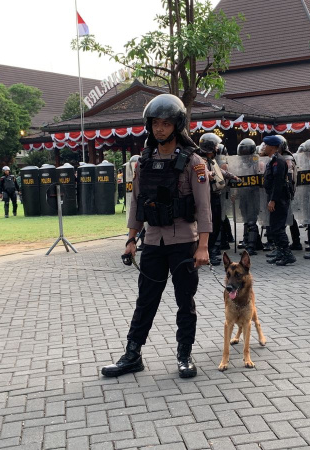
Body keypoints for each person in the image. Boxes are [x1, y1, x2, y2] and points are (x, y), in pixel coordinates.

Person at [102, 94, 211, 379]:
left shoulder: (193, 161)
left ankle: (185, 354)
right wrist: (130, 240)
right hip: (152, 243)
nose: (160, 129)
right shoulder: (144, 161)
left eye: (165, 123)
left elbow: (203, 206)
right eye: (155, 123)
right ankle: (132, 354)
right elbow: (137, 203)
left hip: (183, 243)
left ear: (177, 125)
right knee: (145, 301)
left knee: (184, 301)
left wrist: (203, 246)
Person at [198, 133, 235, 265]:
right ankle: (208, 252)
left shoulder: (211, 160)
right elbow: (205, 173)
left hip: (215, 197)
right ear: (209, 147)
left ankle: (211, 250)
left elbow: (219, 171)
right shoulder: (200, 161)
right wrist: (210, 174)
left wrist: (231, 176)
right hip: (207, 198)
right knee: (210, 226)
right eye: (215, 146)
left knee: (217, 224)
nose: (218, 148)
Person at [262, 135, 297, 266]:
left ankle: (287, 254)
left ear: (272, 147)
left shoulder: (279, 161)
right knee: (274, 227)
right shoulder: (273, 160)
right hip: (275, 198)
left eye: (266, 145)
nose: (264, 147)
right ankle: (281, 253)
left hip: (279, 199)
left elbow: (278, 183)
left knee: (278, 228)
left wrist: (273, 200)